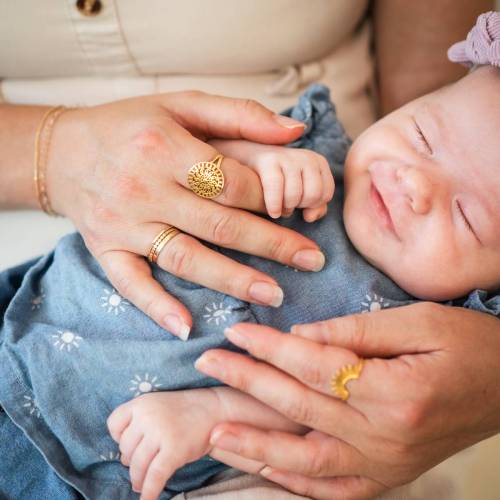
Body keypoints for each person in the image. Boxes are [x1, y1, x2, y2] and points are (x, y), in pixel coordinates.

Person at [0, 1, 494, 499]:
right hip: (32, 326)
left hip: (127, 456)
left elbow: (321, 406)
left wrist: (211, 412)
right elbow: (204, 161)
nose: (416, 184)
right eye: (422, 135)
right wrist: (254, 160)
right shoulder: (312, 163)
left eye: (466, 216)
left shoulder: (416, 326)